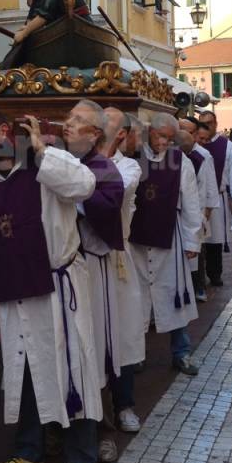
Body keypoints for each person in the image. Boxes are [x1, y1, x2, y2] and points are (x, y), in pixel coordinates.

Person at [0, 109, 101, 463]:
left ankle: (81, 457)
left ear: (5, 132)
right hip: (12, 292)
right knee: (22, 370)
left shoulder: (43, 169)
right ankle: (30, 451)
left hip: (58, 289)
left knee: (72, 367)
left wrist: (43, 149)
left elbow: (85, 186)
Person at [68, 101, 125, 463]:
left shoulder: (104, 169)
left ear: (95, 135)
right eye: (68, 118)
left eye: (77, 121)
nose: (66, 125)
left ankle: (103, 429)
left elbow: (107, 209)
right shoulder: (58, 162)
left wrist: (74, 192)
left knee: (94, 351)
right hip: (59, 274)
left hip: (89, 268)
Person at [129, 113, 202, 375]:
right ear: (150, 132)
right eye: (161, 137)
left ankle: (181, 352)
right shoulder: (133, 157)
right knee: (135, 299)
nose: (164, 143)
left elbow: (191, 200)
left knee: (175, 295)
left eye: (170, 139)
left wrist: (193, 239)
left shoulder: (180, 160)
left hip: (169, 238)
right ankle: (134, 353)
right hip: (135, 241)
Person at [103, 110, 143, 436]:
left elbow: (115, 192)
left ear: (120, 135)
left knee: (123, 333)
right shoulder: (78, 162)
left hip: (116, 258)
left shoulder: (129, 166)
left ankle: (124, 404)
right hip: (83, 262)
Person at [178, 119, 220, 302]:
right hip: (178, 213)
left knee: (197, 250)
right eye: (182, 130)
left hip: (198, 209)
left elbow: (210, 186)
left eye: (189, 131)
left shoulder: (202, 156)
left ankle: (198, 286)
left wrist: (205, 215)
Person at [199, 110, 232, 288]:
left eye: (208, 123)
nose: (205, 127)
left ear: (215, 124)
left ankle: (215, 273)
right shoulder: (194, 144)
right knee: (198, 239)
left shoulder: (227, 146)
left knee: (214, 239)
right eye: (202, 123)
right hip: (197, 200)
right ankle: (198, 276)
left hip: (217, 197)